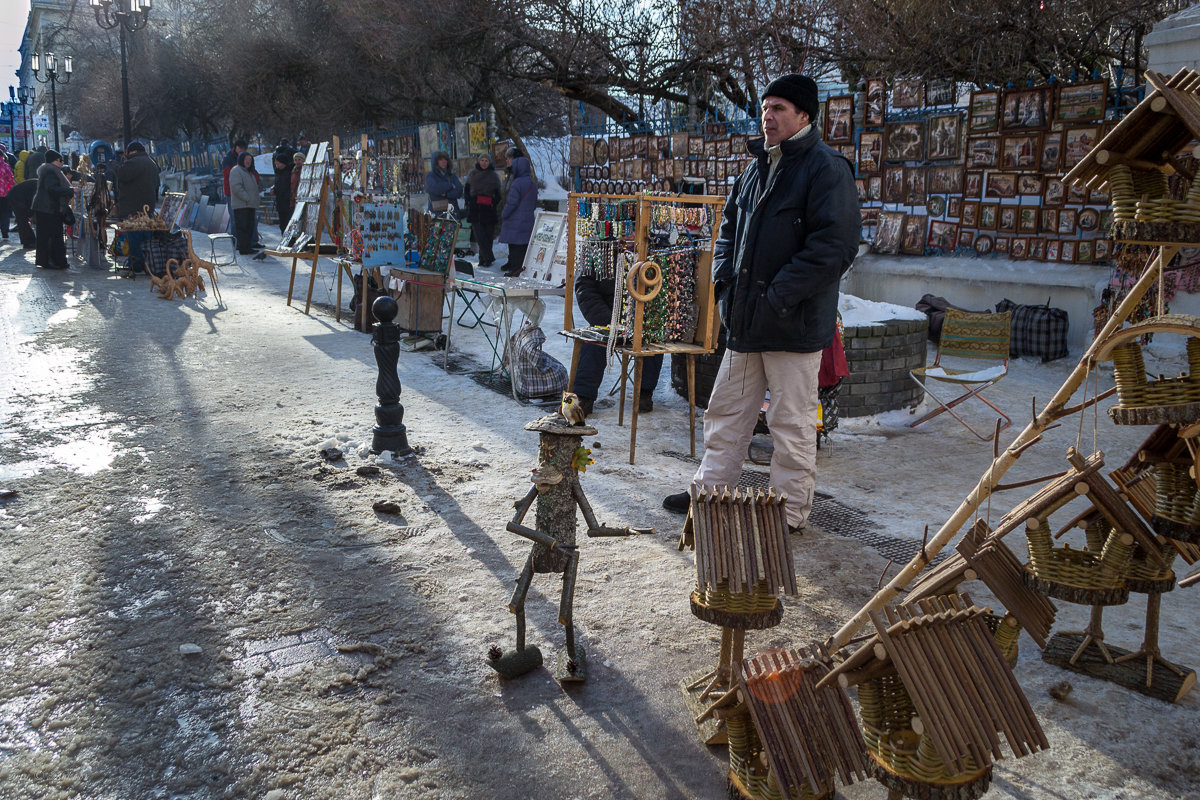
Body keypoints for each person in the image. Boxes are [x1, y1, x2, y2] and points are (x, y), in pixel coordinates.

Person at [661, 74, 860, 534]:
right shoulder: (756, 167)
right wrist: (725, 285)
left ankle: (788, 518)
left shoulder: (827, 168)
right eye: (765, 107)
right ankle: (709, 496)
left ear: (804, 116)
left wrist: (777, 297)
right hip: (748, 323)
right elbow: (729, 231)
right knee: (726, 416)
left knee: (790, 428)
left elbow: (833, 248)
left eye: (779, 109)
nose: (768, 116)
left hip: (794, 326)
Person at [574, 270, 662, 415]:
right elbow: (585, 289)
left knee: (653, 342)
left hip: (643, 319)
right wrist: (607, 321)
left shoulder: (654, 252)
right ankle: (584, 396)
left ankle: (644, 392)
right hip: (607, 319)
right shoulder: (602, 251)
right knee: (593, 343)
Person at [31, 149, 74, 270]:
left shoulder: (50, 170)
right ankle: (51, 261)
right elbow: (52, 189)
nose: (62, 162)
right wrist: (71, 190)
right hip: (48, 208)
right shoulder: (51, 172)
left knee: (47, 235)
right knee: (52, 235)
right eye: (60, 160)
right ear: (53, 161)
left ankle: (49, 260)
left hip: (45, 208)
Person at [498, 154, 537, 276]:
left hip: (515, 221)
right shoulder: (532, 183)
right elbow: (534, 203)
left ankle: (514, 270)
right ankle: (521, 269)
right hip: (528, 219)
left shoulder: (517, 183)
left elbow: (512, 203)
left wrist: (504, 214)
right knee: (523, 248)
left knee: (514, 247)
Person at [464, 153, 501, 266]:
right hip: (476, 208)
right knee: (479, 235)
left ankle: (484, 259)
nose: (484, 163)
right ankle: (488, 256)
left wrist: (493, 203)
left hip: (489, 208)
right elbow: (466, 190)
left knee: (488, 235)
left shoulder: (494, 175)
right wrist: (470, 201)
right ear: (479, 161)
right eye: (482, 160)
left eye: (486, 160)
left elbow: (498, 194)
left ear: (489, 162)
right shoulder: (472, 173)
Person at [114, 141, 160, 219]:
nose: (127, 155)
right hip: (148, 207)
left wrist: (114, 165)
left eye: (128, 152)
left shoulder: (135, 162)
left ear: (133, 151)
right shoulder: (151, 162)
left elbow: (123, 174)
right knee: (145, 229)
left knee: (134, 230)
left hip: (134, 210)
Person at [229, 151, 260, 254]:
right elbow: (236, 187)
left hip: (249, 204)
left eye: (250, 160)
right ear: (241, 160)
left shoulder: (248, 171)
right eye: (246, 159)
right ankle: (244, 248)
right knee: (243, 228)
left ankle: (247, 247)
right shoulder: (236, 171)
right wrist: (247, 198)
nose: (248, 161)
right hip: (242, 205)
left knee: (250, 227)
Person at [424, 151, 462, 216]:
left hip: (452, 213)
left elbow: (459, 191)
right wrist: (450, 186)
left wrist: (446, 194)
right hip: (437, 213)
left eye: (445, 159)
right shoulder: (430, 176)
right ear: (436, 162)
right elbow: (434, 188)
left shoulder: (452, 176)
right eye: (441, 159)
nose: (444, 161)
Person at [6, 178, 38, 248]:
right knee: (22, 220)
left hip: (17, 196)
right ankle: (28, 242)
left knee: (22, 220)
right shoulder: (39, 186)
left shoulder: (38, 183)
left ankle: (28, 241)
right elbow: (34, 201)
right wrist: (30, 214)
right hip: (16, 197)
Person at [272, 139, 296, 233]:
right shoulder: (278, 172)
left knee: (286, 223)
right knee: (282, 224)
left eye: (278, 162)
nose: (275, 163)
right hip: (280, 202)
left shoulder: (288, 173)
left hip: (286, 202)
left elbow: (284, 187)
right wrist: (274, 189)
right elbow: (278, 185)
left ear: (283, 163)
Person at [0, 145, 14, 239]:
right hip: (4, 192)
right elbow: (10, 179)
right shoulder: (5, 166)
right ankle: (5, 231)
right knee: (5, 212)